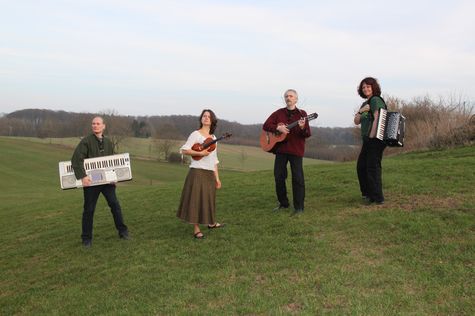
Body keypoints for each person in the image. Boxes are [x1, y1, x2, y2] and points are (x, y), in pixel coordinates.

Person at [71, 116, 129, 248]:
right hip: (91, 182)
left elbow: (111, 162)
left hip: (107, 183)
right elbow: (76, 159)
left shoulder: (108, 143)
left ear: (103, 126)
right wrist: (83, 176)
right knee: (89, 210)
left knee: (115, 205)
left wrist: (113, 177)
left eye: (98, 124)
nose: (95, 126)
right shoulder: (86, 142)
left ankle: (123, 231)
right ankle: (86, 239)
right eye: (93, 124)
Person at [263, 89, 311, 216]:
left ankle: (299, 207)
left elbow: (307, 134)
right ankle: (283, 203)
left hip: (296, 150)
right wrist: (277, 127)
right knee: (279, 177)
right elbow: (266, 125)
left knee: (298, 179)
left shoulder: (303, 114)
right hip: (281, 150)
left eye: (291, 96)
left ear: (296, 99)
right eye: (286, 96)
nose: (288, 98)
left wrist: (302, 127)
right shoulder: (278, 113)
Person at [177, 109, 224, 239]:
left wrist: (217, 178)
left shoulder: (214, 138)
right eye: (204, 116)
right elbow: (183, 150)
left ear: (212, 120)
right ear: (201, 119)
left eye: (209, 116)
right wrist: (199, 153)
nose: (206, 118)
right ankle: (196, 228)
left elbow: (214, 160)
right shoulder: (195, 134)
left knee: (209, 199)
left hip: (209, 173)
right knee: (196, 200)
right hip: (197, 171)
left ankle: (211, 222)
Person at [354, 77, 387, 204]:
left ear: (373, 87)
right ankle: (367, 194)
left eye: (368, 86)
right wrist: (361, 110)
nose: (366, 89)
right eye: (363, 87)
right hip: (368, 140)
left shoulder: (375, 100)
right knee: (361, 166)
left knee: (372, 167)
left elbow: (378, 116)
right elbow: (356, 121)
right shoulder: (364, 104)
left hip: (376, 139)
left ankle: (377, 198)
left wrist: (373, 136)